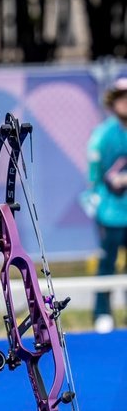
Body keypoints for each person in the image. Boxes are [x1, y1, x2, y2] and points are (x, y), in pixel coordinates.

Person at [86, 77, 127, 334]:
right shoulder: (102, 135)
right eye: (122, 98)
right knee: (107, 263)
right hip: (111, 212)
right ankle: (102, 312)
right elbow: (95, 176)